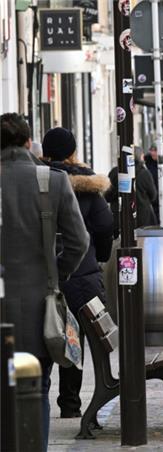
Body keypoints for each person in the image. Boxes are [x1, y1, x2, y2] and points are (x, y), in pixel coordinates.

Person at [1, 113, 89, 446]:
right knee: (36, 385)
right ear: (28, 142)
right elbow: (79, 241)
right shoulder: (50, 181)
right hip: (39, 307)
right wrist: (56, 273)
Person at [41, 127, 115, 418]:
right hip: (82, 274)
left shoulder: (38, 179)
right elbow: (105, 225)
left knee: (44, 332)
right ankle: (70, 404)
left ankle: (39, 399)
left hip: (45, 272)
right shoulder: (86, 184)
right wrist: (100, 255)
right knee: (76, 337)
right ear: (72, 152)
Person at [105, 147, 158, 233]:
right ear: (140, 157)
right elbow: (153, 195)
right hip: (142, 219)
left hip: (119, 218)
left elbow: (107, 196)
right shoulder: (144, 173)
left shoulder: (115, 172)